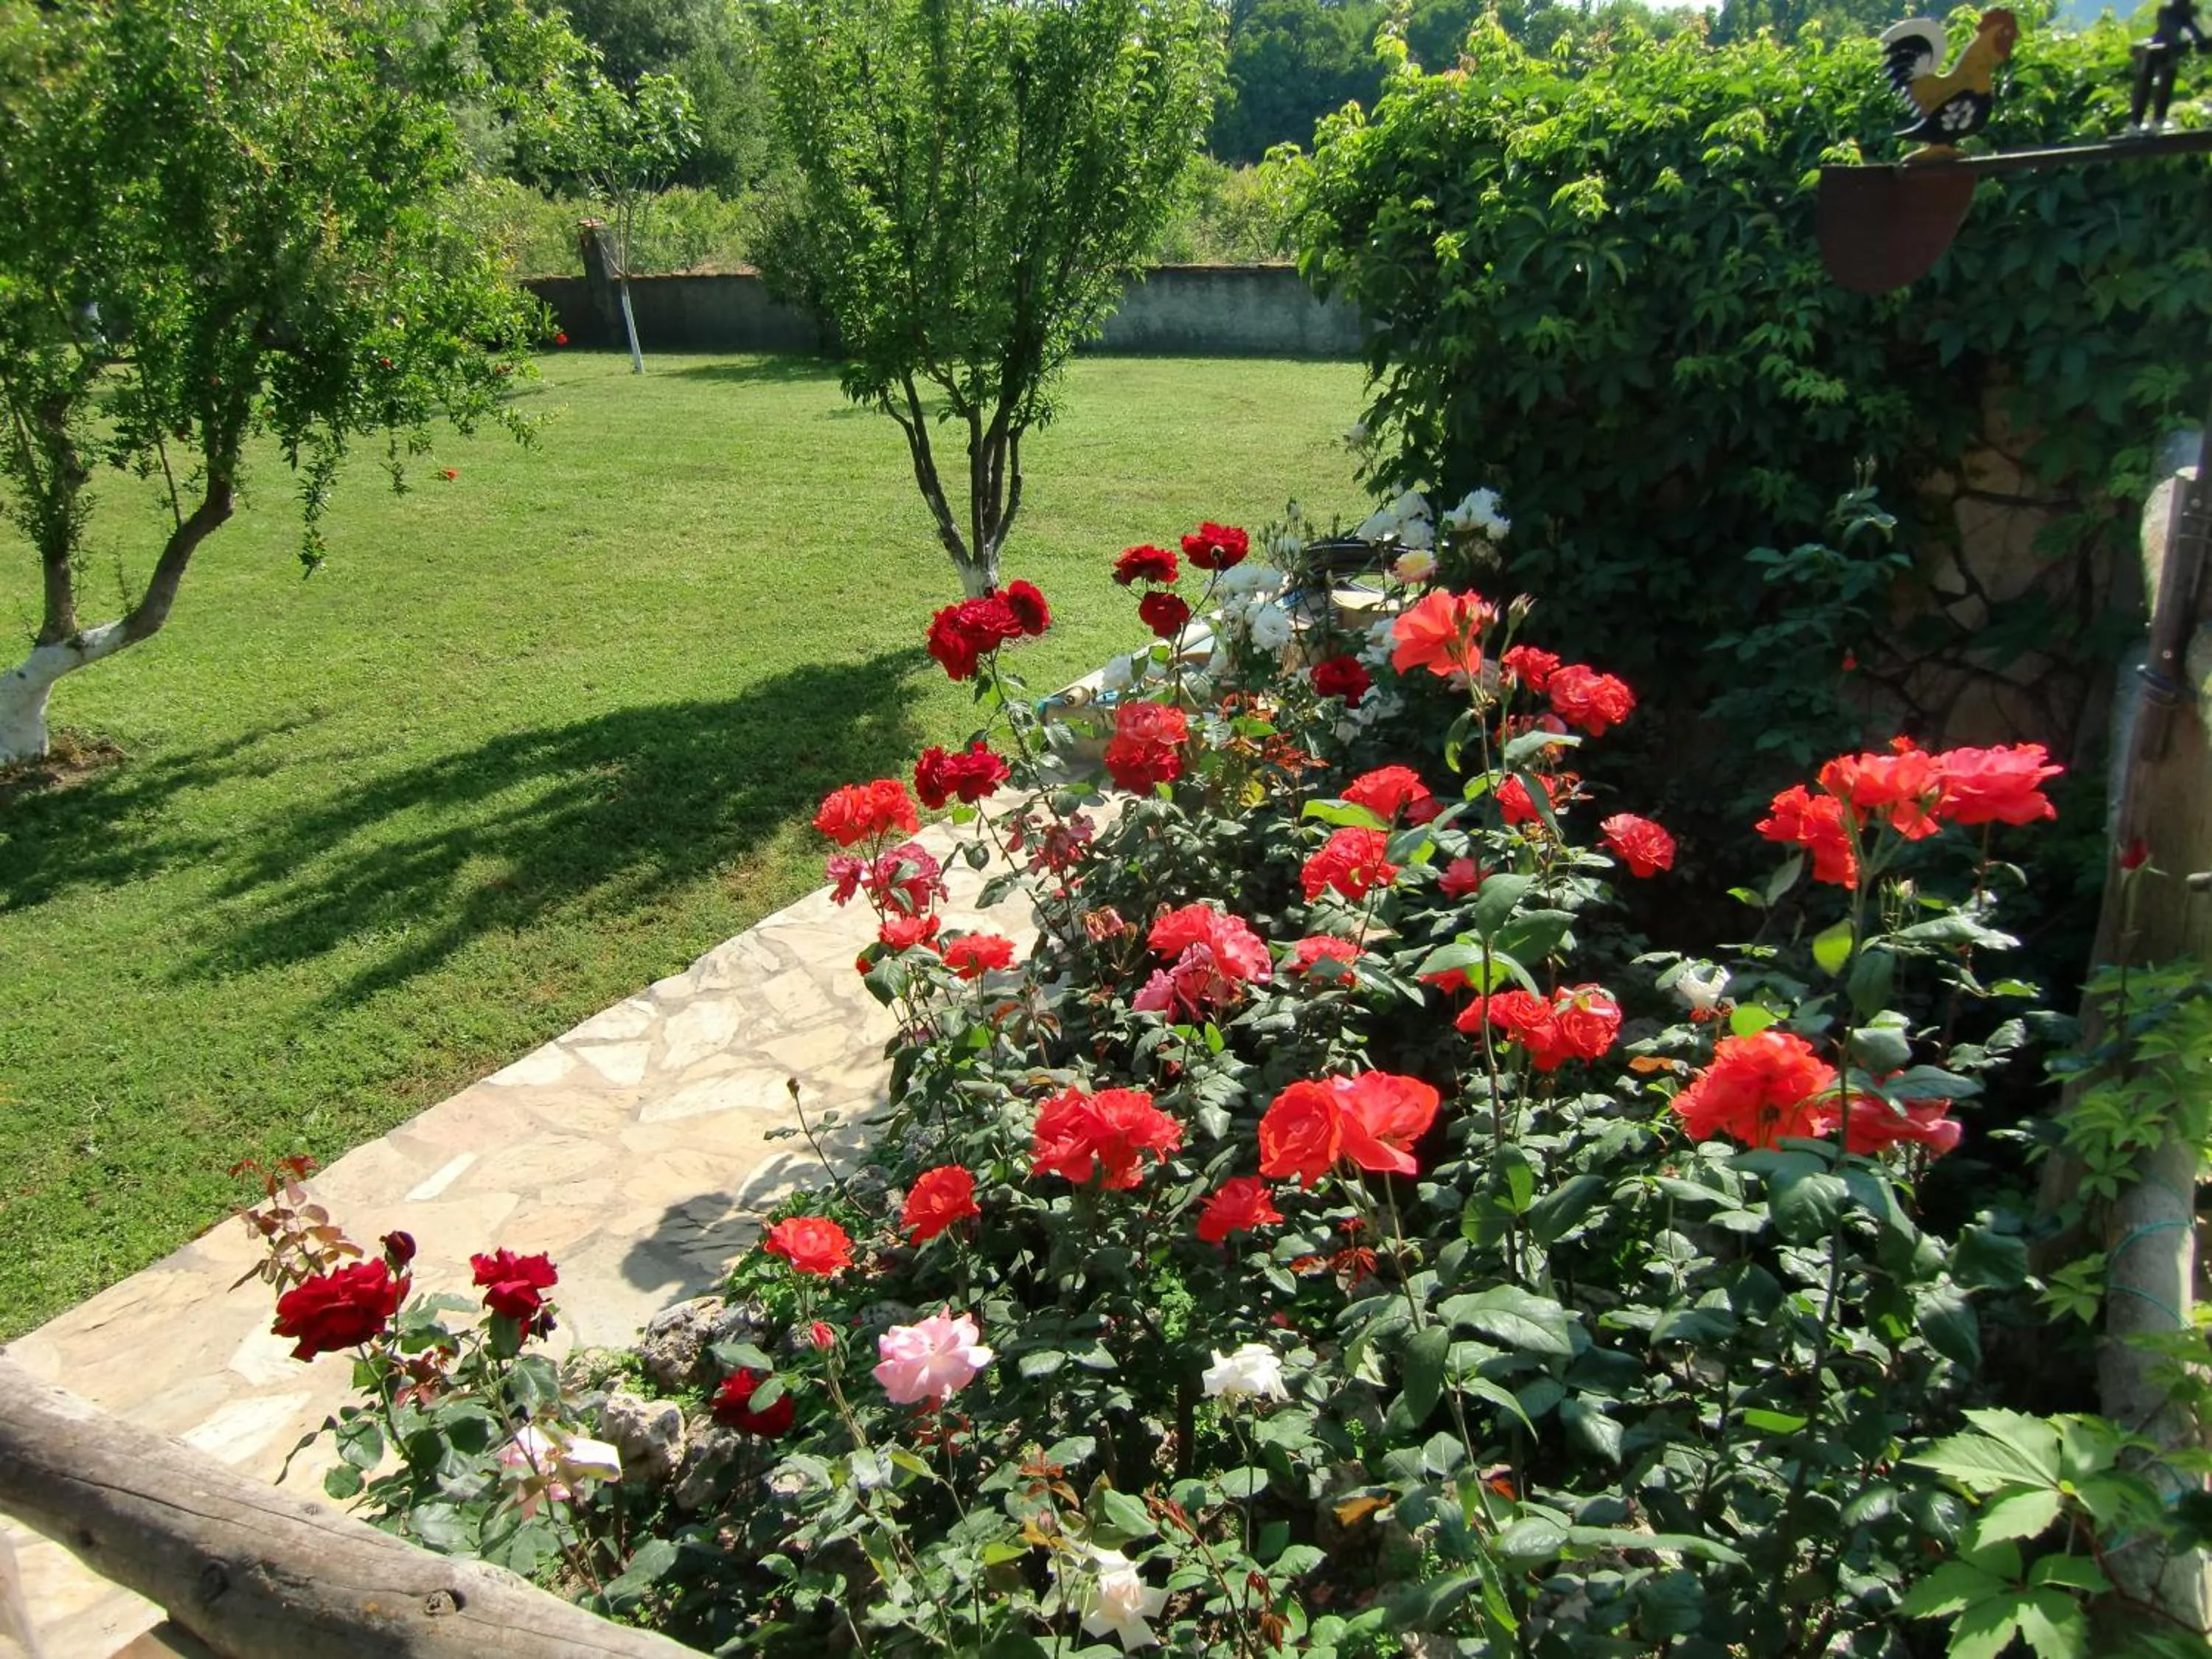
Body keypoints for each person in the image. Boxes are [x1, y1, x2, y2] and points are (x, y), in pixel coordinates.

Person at [2131, 0, 2207, 131]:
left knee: (2167, 78)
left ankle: (2158, 119)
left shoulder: (2192, 11)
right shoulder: (2167, 10)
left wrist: (2201, 39)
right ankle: (2136, 122)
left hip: (2169, 51)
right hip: (2157, 50)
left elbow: (2203, 37)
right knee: (2148, 78)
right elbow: (2175, 36)